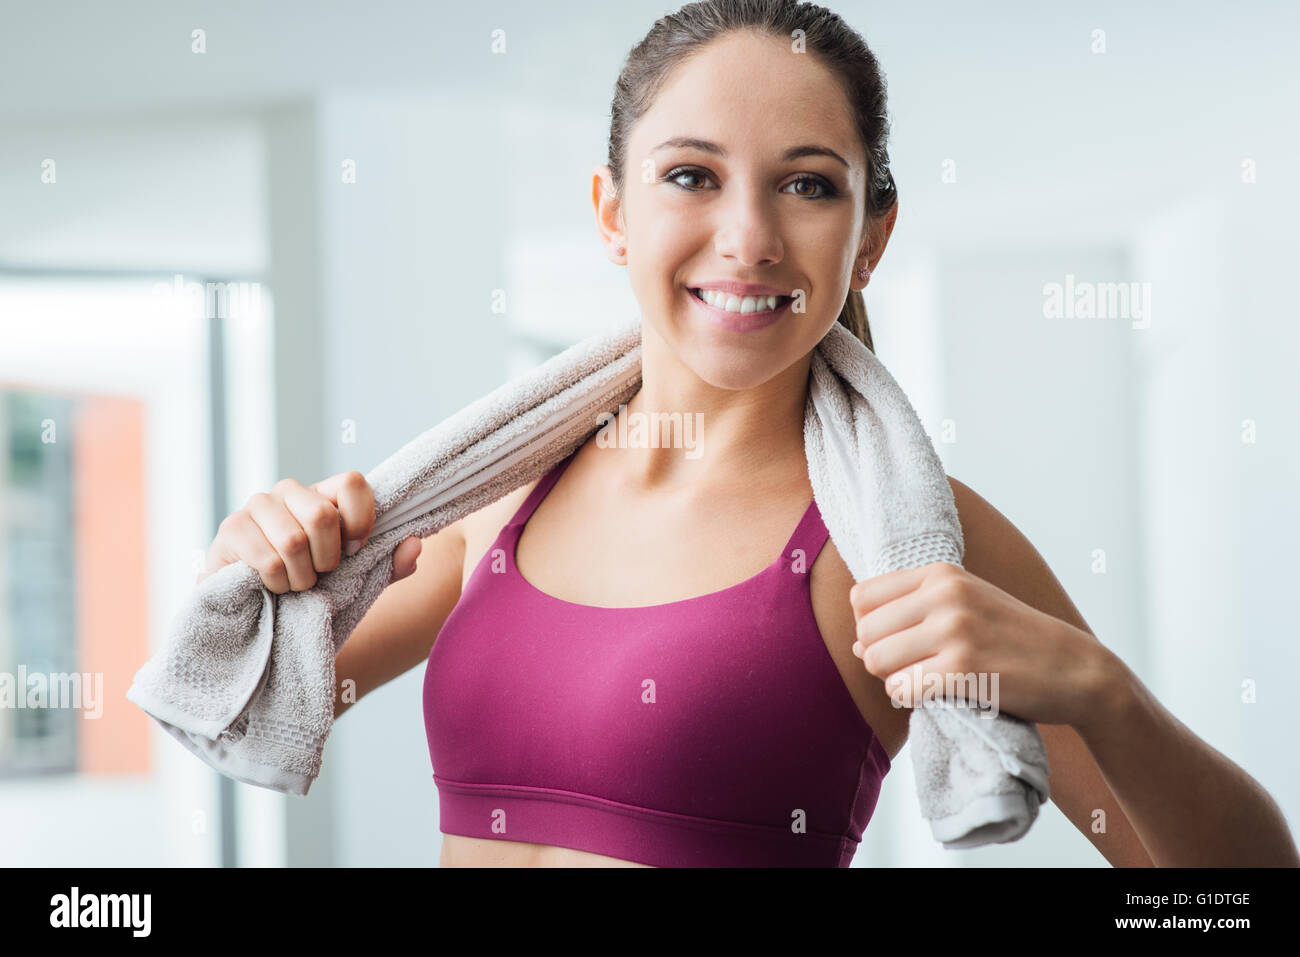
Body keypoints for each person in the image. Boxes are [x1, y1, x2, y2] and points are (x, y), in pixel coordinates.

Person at [202, 0, 1299, 867]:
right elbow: (256, 696)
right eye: (690, 176)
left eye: (808, 187)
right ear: (612, 212)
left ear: (870, 236)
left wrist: (1101, 691)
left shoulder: (900, 549)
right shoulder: (497, 495)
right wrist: (247, 561)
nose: (749, 237)